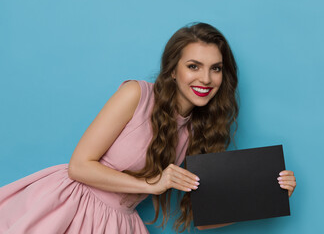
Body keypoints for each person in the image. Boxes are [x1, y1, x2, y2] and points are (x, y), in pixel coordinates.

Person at [0, 22, 297, 233]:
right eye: (194, 66)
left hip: (118, 223)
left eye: (215, 68)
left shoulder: (199, 131)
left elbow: (203, 219)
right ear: (172, 70)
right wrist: (152, 185)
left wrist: (271, 195)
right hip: (69, 206)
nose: (206, 79)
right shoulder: (136, 94)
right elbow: (79, 166)